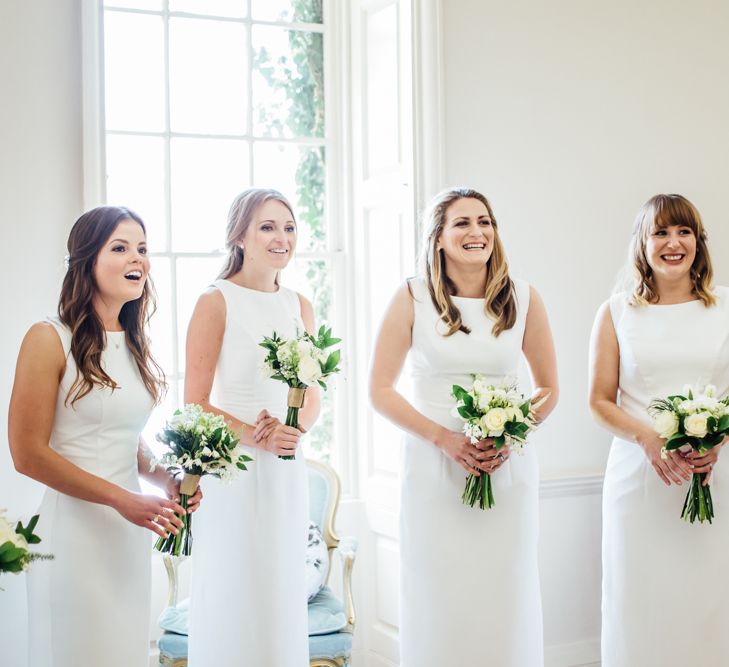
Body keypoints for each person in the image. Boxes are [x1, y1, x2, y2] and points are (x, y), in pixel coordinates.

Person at [369, 187, 558, 666]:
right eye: (462, 223)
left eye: (485, 222)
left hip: (505, 470)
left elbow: (549, 388)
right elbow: (380, 390)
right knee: (439, 595)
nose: (477, 232)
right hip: (433, 473)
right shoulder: (411, 297)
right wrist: (444, 439)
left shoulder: (524, 298)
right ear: (438, 237)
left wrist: (509, 432)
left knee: (503, 591)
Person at [9, 206, 201, 667]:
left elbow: (121, 435)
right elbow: (27, 455)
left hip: (125, 536)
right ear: (86, 260)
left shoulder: (134, 343)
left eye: (142, 248)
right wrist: (120, 498)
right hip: (72, 537)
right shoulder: (47, 338)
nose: (137, 258)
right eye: (120, 247)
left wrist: (164, 481)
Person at [589, 193, 729, 666]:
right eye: (661, 232)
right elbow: (599, 401)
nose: (674, 243)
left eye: (684, 231)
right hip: (638, 480)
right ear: (642, 245)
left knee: (707, 601)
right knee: (639, 599)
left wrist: (718, 441)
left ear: (698, 242)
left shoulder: (726, 307)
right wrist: (647, 438)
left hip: (713, 477)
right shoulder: (615, 312)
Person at [185, 188, 320, 666]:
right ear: (239, 236)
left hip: (286, 469)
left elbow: (313, 393)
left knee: (278, 589)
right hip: (234, 473)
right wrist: (255, 433)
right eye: (267, 226)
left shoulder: (300, 305)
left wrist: (292, 431)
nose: (281, 237)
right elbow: (195, 404)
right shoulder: (215, 301)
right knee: (235, 588)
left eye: (288, 226)